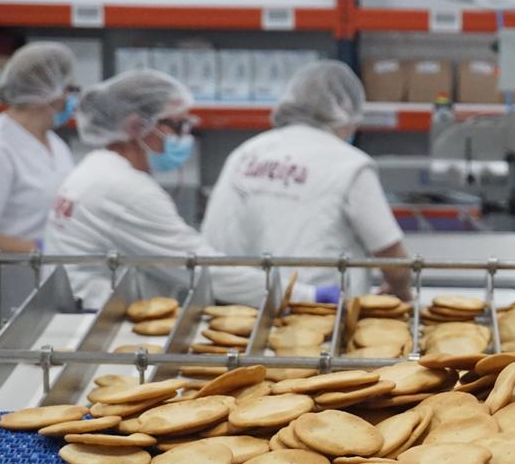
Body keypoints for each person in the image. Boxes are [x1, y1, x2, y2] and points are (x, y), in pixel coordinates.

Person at [44, 70, 326, 309]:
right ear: (135, 126)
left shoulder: (94, 170)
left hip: (83, 310)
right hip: (98, 320)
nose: (185, 137)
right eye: (178, 125)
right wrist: (305, 296)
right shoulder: (123, 189)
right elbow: (202, 270)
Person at [201, 60, 411, 299]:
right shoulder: (349, 163)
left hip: (231, 314)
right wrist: (401, 295)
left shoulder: (246, 152)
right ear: (343, 107)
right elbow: (392, 255)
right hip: (315, 315)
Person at [0, 43, 78, 253]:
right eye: (69, 90)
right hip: (8, 280)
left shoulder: (56, 145)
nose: (72, 99)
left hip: (49, 276)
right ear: (48, 91)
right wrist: (38, 249)